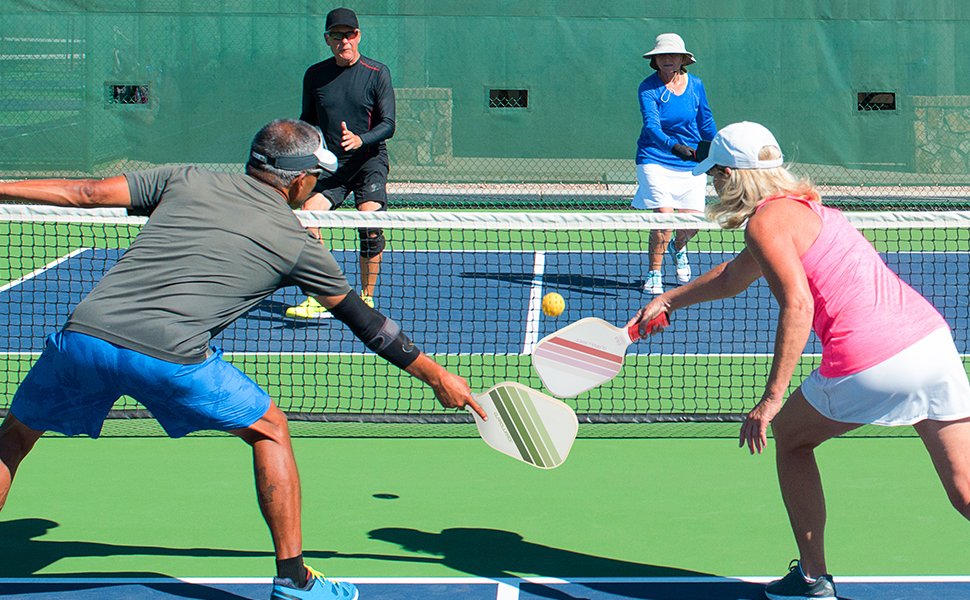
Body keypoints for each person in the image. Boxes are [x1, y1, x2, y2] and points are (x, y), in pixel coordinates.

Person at [0, 118, 487, 600]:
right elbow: (368, 323)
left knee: (14, 437)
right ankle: (294, 581)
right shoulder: (298, 242)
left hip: (84, 337)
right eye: (315, 176)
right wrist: (437, 377)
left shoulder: (183, 178)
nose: (316, 184)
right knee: (270, 429)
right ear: (298, 180)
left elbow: (85, 193)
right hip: (170, 356)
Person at [628, 121, 970, 600]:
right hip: (931, 344)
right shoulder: (808, 209)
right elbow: (733, 277)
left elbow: (798, 304)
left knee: (790, 438)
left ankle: (812, 578)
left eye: (715, 175)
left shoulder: (764, 223)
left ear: (731, 175)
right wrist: (668, 300)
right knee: (965, 488)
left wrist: (771, 400)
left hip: (871, 358)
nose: (712, 185)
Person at [289, 7, 395, 318]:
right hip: (332, 167)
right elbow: (308, 120)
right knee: (307, 218)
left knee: (370, 225)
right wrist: (307, 150)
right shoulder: (315, 75)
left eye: (349, 35)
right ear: (328, 39)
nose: (344, 41)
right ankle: (322, 296)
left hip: (368, 163)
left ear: (358, 36)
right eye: (337, 36)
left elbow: (389, 124)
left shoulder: (377, 73)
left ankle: (366, 298)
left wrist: (361, 139)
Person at [634, 33, 717, 295]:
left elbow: (705, 121)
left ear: (683, 59)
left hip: (691, 162)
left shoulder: (696, 85)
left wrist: (716, 152)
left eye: (672, 55)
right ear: (655, 60)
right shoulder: (648, 88)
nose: (667, 59)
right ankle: (654, 273)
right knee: (664, 218)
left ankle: (678, 247)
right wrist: (674, 147)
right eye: (661, 55)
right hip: (655, 158)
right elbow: (652, 127)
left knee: (691, 224)